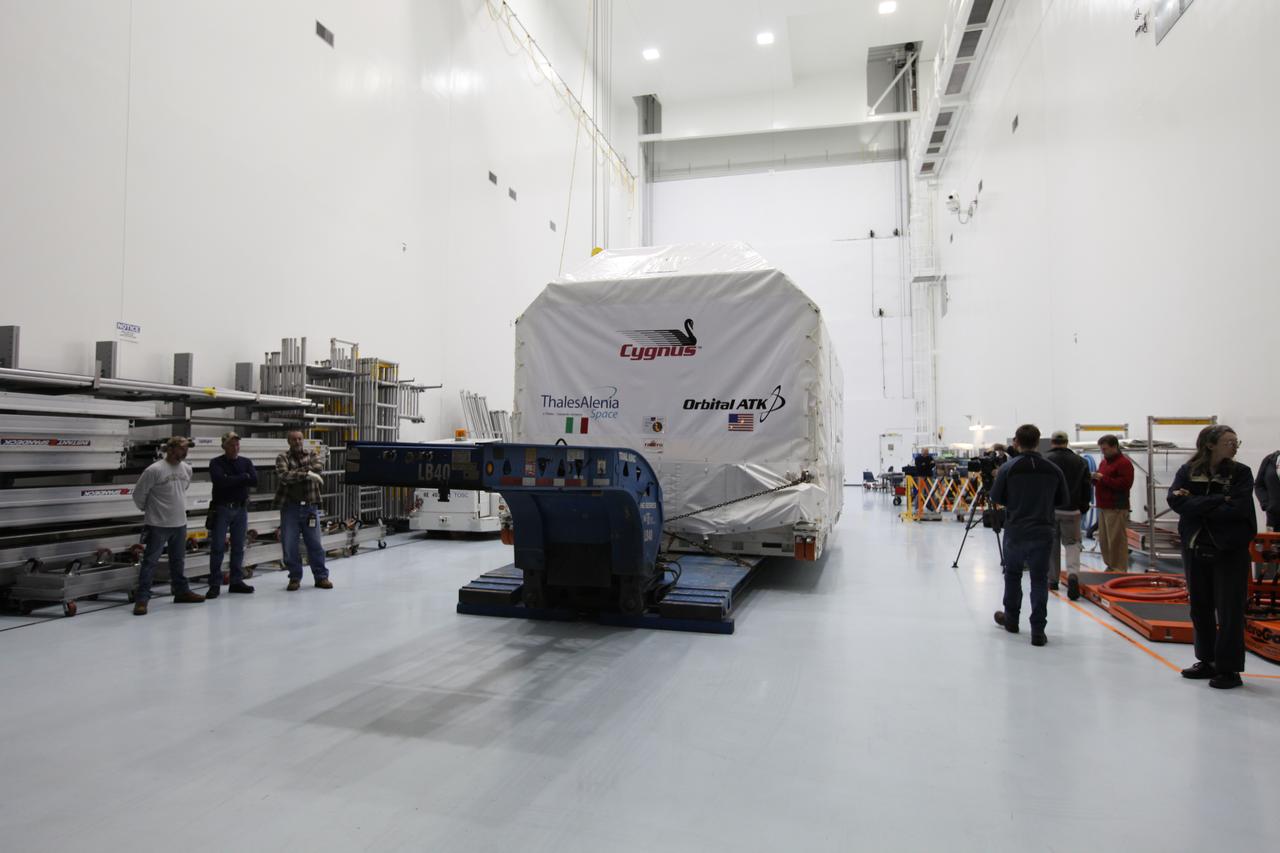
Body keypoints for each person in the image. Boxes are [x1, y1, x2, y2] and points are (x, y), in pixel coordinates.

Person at [1168, 425, 1256, 690]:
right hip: (1195, 547)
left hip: (1229, 550)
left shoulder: (1241, 473)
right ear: (1210, 444)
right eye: (1229, 441)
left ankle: (1229, 669)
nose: (1235, 445)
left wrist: (1196, 503)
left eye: (1235, 441)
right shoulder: (1188, 471)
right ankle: (1207, 660)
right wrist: (1218, 500)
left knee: (1229, 610)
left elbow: (1238, 509)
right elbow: (1176, 502)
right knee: (1200, 606)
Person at [989, 424, 1069, 646]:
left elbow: (996, 497)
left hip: (1016, 530)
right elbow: (1062, 499)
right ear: (1038, 441)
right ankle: (1038, 630)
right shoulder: (1052, 469)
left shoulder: (1009, 468)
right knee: (1039, 580)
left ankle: (1012, 620)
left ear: (1016, 441)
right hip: (1043, 531)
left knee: (1013, 575)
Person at [131, 437, 204, 615]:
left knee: (178, 561)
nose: (185, 452)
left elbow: (183, 489)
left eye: (187, 449)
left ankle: (181, 591)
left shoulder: (186, 469)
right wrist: (148, 510)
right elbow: (138, 494)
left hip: (179, 523)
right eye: (182, 448)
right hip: (158, 524)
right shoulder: (154, 470)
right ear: (170, 450)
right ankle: (142, 599)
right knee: (150, 562)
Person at [276, 430, 333, 591]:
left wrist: (301, 473)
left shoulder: (313, 454)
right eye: (294, 439)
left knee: (315, 544)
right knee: (290, 545)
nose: (297, 441)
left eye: (300, 438)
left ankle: (321, 577)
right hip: (290, 508)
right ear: (288, 441)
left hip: (310, 507)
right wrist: (307, 473)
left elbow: (318, 468)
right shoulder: (282, 458)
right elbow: (284, 476)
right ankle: (294, 578)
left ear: (303, 440)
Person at [208, 432, 258, 597]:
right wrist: (243, 477)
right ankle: (215, 583)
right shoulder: (216, 463)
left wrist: (232, 479)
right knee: (217, 547)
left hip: (240, 509)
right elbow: (220, 482)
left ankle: (236, 580)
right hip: (222, 508)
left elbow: (255, 481)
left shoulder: (246, 462)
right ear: (224, 446)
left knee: (238, 546)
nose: (235, 447)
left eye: (237, 444)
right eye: (231, 444)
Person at [1046, 431, 1093, 590]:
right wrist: (1083, 507)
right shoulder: (1080, 461)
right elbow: (1087, 487)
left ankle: (1052, 580)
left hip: (1051, 510)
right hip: (1072, 510)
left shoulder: (1045, 460)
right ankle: (1073, 574)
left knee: (1052, 544)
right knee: (1072, 544)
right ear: (1067, 442)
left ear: (1052, 442)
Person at [1092, 434, 1134, 571]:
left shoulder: (1124, 463)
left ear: (1114, 447)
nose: (1103, 452)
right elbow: (1101, 478)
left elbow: (1125, 484)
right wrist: (1093, 478)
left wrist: (1103, 479)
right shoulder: (1104, 463)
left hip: (1116, 506)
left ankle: (1119, 569)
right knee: (1104, 540)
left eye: (1105, 449)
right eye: (1101, 449)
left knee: (1116, 540)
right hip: (1103, 506)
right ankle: (1110, 565)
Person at [1255, 448, 1280, 532]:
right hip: (1274, 519)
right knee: (1274, 544)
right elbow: (1259, 485)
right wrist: (1267, 504)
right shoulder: (1270, 459)